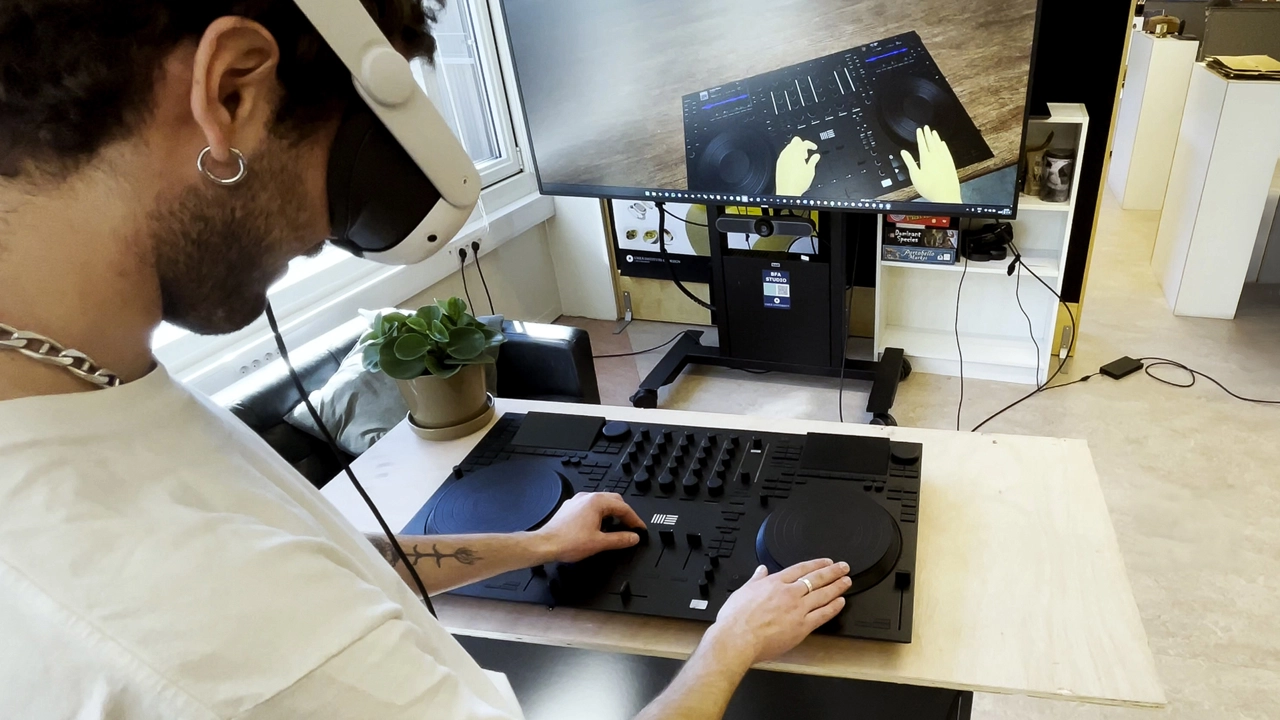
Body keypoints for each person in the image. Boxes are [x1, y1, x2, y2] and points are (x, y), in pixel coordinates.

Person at [0, 2, 852, 718]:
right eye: (342, 175)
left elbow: (325, 559)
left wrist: (530, 544)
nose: (320, 237)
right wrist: (732, 641)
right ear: (230, 93)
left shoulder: (88, 383)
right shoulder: (194, 620)